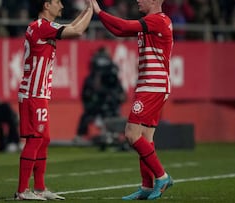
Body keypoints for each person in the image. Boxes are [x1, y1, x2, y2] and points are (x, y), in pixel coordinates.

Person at [91, 0, 174, 200]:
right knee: (145, 138)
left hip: (153, 85)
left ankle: (162, 177)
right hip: (149, 84)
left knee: (131, 134)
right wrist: (100, 14)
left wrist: (99, 12)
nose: (137, 0)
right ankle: (147, 186)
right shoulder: (151, 22)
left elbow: (123, 26)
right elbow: (119, 31)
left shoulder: (159, 21)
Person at [15, 0, 93, 200]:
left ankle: (40, 188)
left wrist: (86, 10)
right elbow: (76, 32)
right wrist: (93, 10)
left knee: (44, 139)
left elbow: (73, 27)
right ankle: (22, 190)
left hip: (39, 93)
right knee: (35, 139)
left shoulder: (43, 27)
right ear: (46, 5)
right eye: (57, 1)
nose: (61, 5)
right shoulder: (40, 27)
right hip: (33, 93)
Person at [74, 46, 126, 144]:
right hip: (96, 101)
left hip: (109, 100)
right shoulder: (92, 76)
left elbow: (116, 85)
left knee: (114, 112)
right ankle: (80, 135)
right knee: (88, 115)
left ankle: (114, 134)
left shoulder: (112, 73)